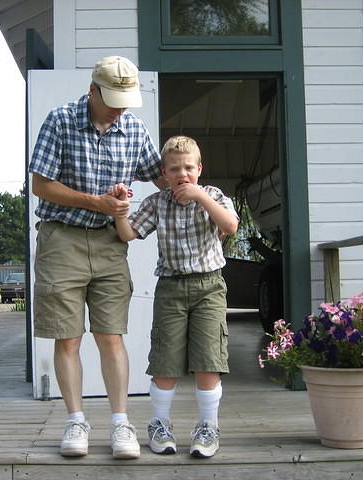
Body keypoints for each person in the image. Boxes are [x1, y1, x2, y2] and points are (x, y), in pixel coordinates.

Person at [28, 56, 165, 459]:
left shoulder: (134, 129)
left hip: (110, 244)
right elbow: (41, 184)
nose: (121, 108)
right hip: (62, 240)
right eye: (114, 100)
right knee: (67, 337)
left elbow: (161, 174)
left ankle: (121, 423)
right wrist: (96, 202)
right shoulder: (60, 120)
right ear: (92, 91)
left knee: (111, 335)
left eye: (127, 100)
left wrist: (194, 190)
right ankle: (75, 420)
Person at [110, 135, 239, 458]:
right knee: (165, 359)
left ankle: (208, 426)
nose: (182, 175)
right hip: (170, 288)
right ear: (164, 175)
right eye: (174, 169)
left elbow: (230, 226)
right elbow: (128, 233)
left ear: (199, 169)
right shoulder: (157, 203)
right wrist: (120, 208)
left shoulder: (213, 195)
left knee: (208, 358)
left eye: (188, 168)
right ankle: (160, 423)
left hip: (209, 287)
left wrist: (200, 197)